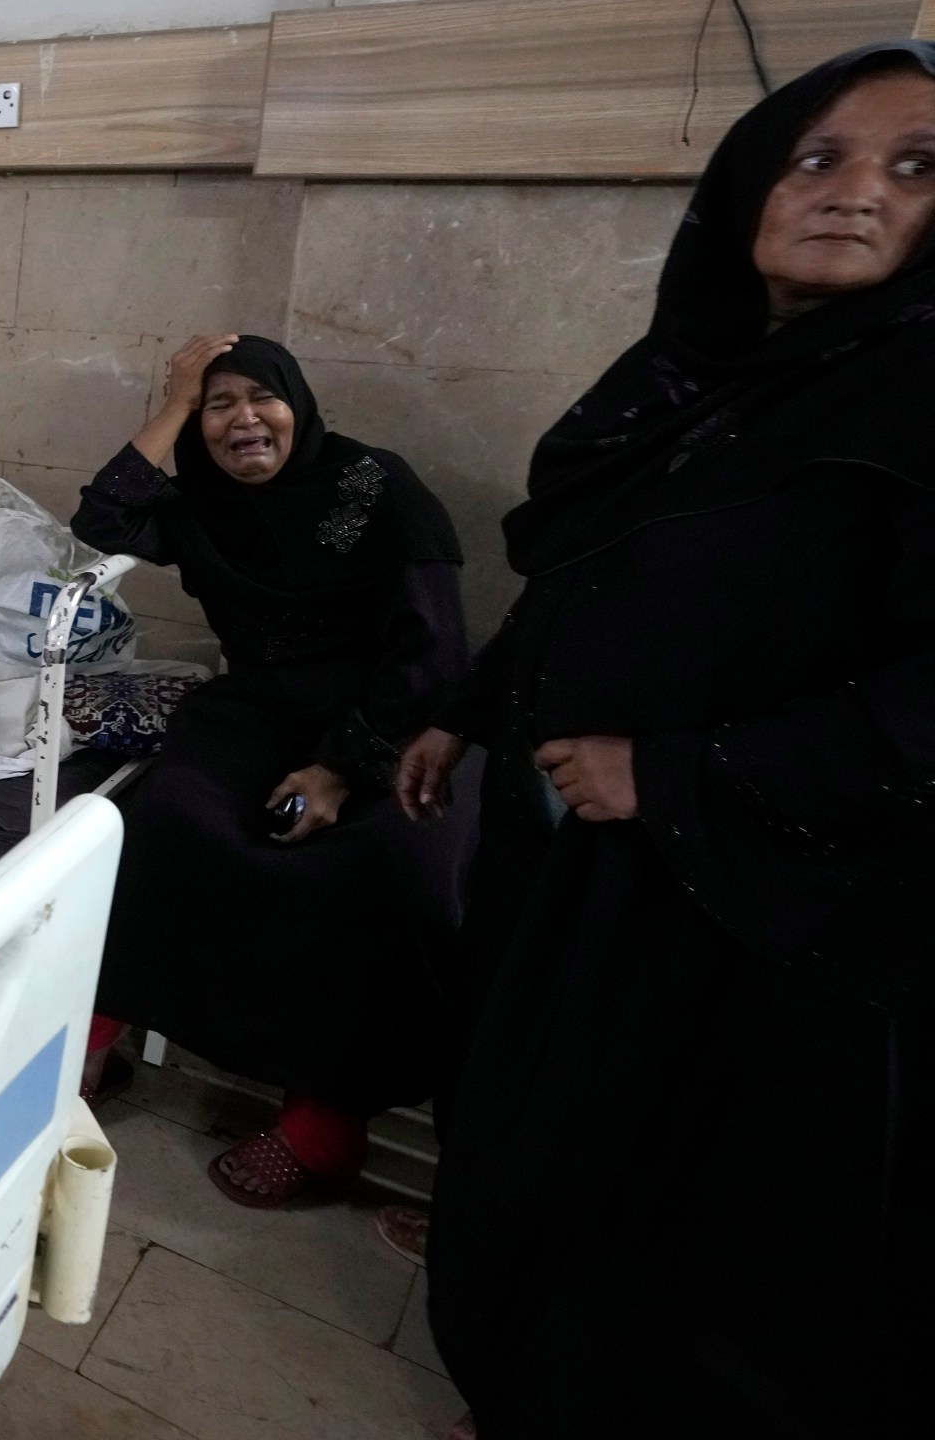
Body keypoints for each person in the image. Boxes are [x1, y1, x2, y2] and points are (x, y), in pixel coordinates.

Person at [392, 42, 935, 1436]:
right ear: (747, 182)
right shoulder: (690, 383)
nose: (857, 195)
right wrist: (463, 715)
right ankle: (511, 1351)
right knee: (537, 1129)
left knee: (674, 1205)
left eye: (915, 167)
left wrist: (676, 773)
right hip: (573, 859)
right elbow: (593, 584)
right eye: (818, 158)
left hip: (755, 897)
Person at [72, 334, 477, 1208]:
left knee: (394, 870)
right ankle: (93, 1044)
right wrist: (174, 402)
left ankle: (324, 1124)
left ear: (299, 403)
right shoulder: (202, 502)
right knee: (165, 827)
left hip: (398, 717)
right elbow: (100, 521)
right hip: (257, 708)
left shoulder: (372, 483)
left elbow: (436, 649)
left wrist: (339, 768)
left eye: (262, 398)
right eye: (218, 405)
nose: (243, 420)